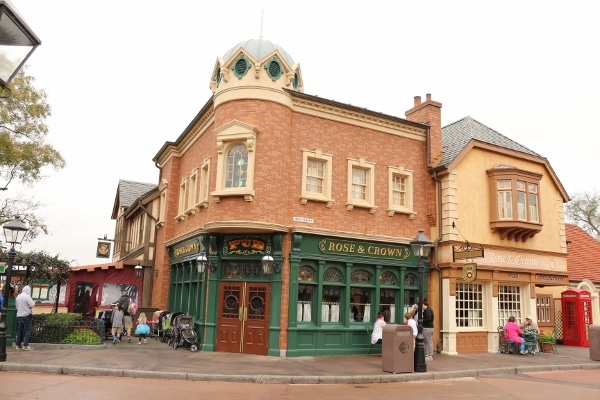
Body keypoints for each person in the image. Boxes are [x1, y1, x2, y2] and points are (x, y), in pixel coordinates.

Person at [15, 286, 36, 351]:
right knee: (28, 330)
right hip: (26, 315)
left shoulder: (18, 296)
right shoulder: (27, 296)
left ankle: (18, 345)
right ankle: (25, 345)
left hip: (19, 315)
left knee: (19, 330)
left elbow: (17, 306)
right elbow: (32, 304)